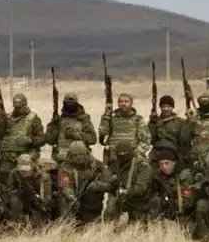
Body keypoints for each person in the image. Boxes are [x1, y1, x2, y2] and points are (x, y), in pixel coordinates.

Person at [99, 92, 150, 220]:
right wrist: (105, 117)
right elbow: (102, 135)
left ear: (131, 103)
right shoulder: (111, 118)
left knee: (131, 190)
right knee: (113, 191)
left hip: (132, 163)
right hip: (114, 161)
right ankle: (111, 219)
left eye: (126, 101)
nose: (123, 104)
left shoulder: (138, 120)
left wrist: (136, 154)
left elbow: (146, 140)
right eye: (121, 101)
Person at [54, 141, 114, 226]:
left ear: (86, 153)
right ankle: (68, 224)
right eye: (75, 155)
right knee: (65, 200)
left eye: (81, 154)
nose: (78, 157)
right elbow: (65, 186)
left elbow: (110, 183)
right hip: (74, 199)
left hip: (92, 202)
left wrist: (96, 185)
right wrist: (71, 197)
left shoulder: (97, 165)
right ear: (70, 155)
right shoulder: (65, 167)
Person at [126, 145, 182, 224]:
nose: (164, 167)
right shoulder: (156, 177)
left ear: (174, 163)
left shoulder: (182, 176)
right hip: (161, 212)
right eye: (161, 164)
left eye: (167, 163)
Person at [0, 94, 46, 181]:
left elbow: (42, 139)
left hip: (26, 156)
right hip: (8, 157)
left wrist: (30, 140)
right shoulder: (8, 118)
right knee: (5, 180)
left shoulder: (33, 118)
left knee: (25, 180)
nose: (18, 109)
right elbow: (0, 135)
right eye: (16, 107)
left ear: (25, 105)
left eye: (20, 107)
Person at [4, 154, 52, 229]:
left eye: (26, 170)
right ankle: (16, 222)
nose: (24, 172)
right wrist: (19, 192)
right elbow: (9, 190)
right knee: (14, 200)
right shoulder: (14, 173)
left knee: (37, 226)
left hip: (37, 202)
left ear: (32, 166)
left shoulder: (43, 176)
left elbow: (47, 195)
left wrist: (41, 202)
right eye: (22, 170)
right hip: (20, 199)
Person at [48, 93, 97, 163]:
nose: (69, 105)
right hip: (61, 157)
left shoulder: (83, 119)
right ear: (64, 104)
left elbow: (92, 139)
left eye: (72, 103)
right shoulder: (59, 120)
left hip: (80, 157)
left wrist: (76, 135)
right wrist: (54, 125)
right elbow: (50, 140)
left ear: (77, 104)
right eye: (67, 103)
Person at [149, 95, 192, 164]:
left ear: (172, 107)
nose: (166, 109)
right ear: (160, 107)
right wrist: (152, 123)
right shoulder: (155, 121)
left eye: (169, 107)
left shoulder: (180, 122)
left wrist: (190, 121)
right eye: (163, 106)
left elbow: (184, 142)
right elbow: (151, 140)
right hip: (157, 151)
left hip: (174, 152)